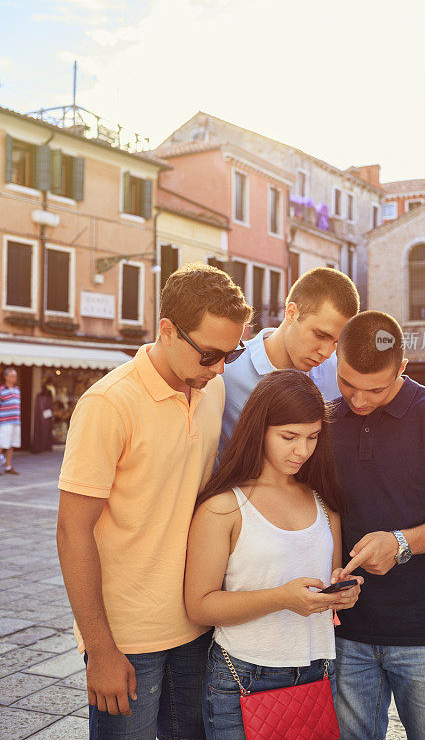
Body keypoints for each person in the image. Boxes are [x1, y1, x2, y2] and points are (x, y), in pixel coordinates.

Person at [56, 262, 252, 740]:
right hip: (127, 639)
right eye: (210, 354)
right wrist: (100, 649)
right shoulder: (109, 404)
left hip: (196, 622)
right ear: (167, 330)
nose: (220, 367)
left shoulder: (213, 386)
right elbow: (71, 529)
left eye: (232, 353)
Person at [330, 311, 425, 740]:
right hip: (347, 636)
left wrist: (401, 543)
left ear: (401, 368)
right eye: (347, 384)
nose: (357, 401)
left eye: (374, 389)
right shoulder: (325, 420)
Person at [185, 369, 362, 740]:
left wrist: (341, 593)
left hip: (317, 670)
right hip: (242, 676)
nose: (302, 450)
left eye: (313, 437)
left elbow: (329, 580)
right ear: (259, 429)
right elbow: (199, 606)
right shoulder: (223, 507)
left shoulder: (323, 500)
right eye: (289, 436)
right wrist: (281, 598)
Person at [219, 267, 360, 452]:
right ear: (291, 312)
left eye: (336, 342)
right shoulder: (225, 366)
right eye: (320, 335)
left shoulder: (340, 377)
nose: (327, 352)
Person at [0, 367, 22, 475]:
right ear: (6, 377)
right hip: (5, 422)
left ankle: (8, 466)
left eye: (15, 376)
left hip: (15, 422)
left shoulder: (17, 389)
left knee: (11, 444)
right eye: (12, 376)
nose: (15, 378)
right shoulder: (1, 390)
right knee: (2, 443)